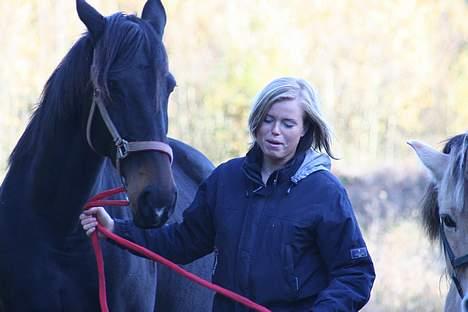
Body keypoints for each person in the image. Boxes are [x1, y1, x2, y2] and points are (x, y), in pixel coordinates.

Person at [80, 77, 375, 311]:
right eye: (268, 119)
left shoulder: (324, 192)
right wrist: (116, 229)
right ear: (256, 122)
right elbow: (182, 242)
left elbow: (355, 274)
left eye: (288, 123)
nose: (275, 131)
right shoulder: (226, 179)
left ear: (304, 129)